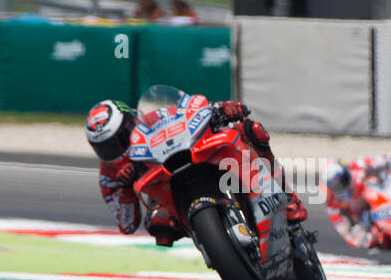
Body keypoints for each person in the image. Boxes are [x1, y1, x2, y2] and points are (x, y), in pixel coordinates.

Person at [86, 95, 307, 248]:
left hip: (189, 158)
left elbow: (189, 114)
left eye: (119, 140)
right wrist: (125, 189)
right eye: (105, 148)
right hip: (163, 197)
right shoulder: (109, 175)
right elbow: (127, 225)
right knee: (157, 222)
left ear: (131, 122)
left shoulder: (154, 118)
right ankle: (214, 244)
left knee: (250, 130)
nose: (115, 150)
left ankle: (287, 197)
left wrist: (221, 109)